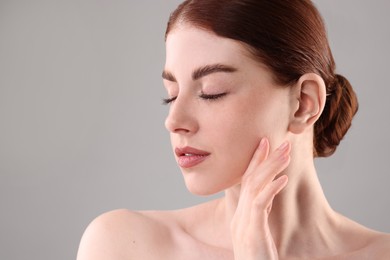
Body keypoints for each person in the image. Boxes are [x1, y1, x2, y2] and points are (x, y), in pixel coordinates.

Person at [77, 0, 390, 259]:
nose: (174, 120)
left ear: (303, 103)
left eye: (212, 91)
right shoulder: (123, 245)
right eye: (171, 94)